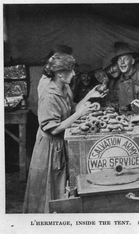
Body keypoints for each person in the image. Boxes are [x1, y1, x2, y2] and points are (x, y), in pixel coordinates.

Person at [23, 53, 106, 213]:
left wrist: (90, 96)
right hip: (48, 149)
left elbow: (71, 108)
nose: (75, 74)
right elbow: (53, 128)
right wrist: (80, 114)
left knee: (60, 188)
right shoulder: (49, 95)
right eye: (71, 70)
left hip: (61, 144)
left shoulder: (65, 87)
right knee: (46, 192)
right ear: (60, 73)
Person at [106, 43, 139, 111]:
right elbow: (116, 101)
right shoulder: (118, 82)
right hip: (124, 119)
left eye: (125, 59)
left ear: (132, 61)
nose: (122, 62)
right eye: (119, 60)